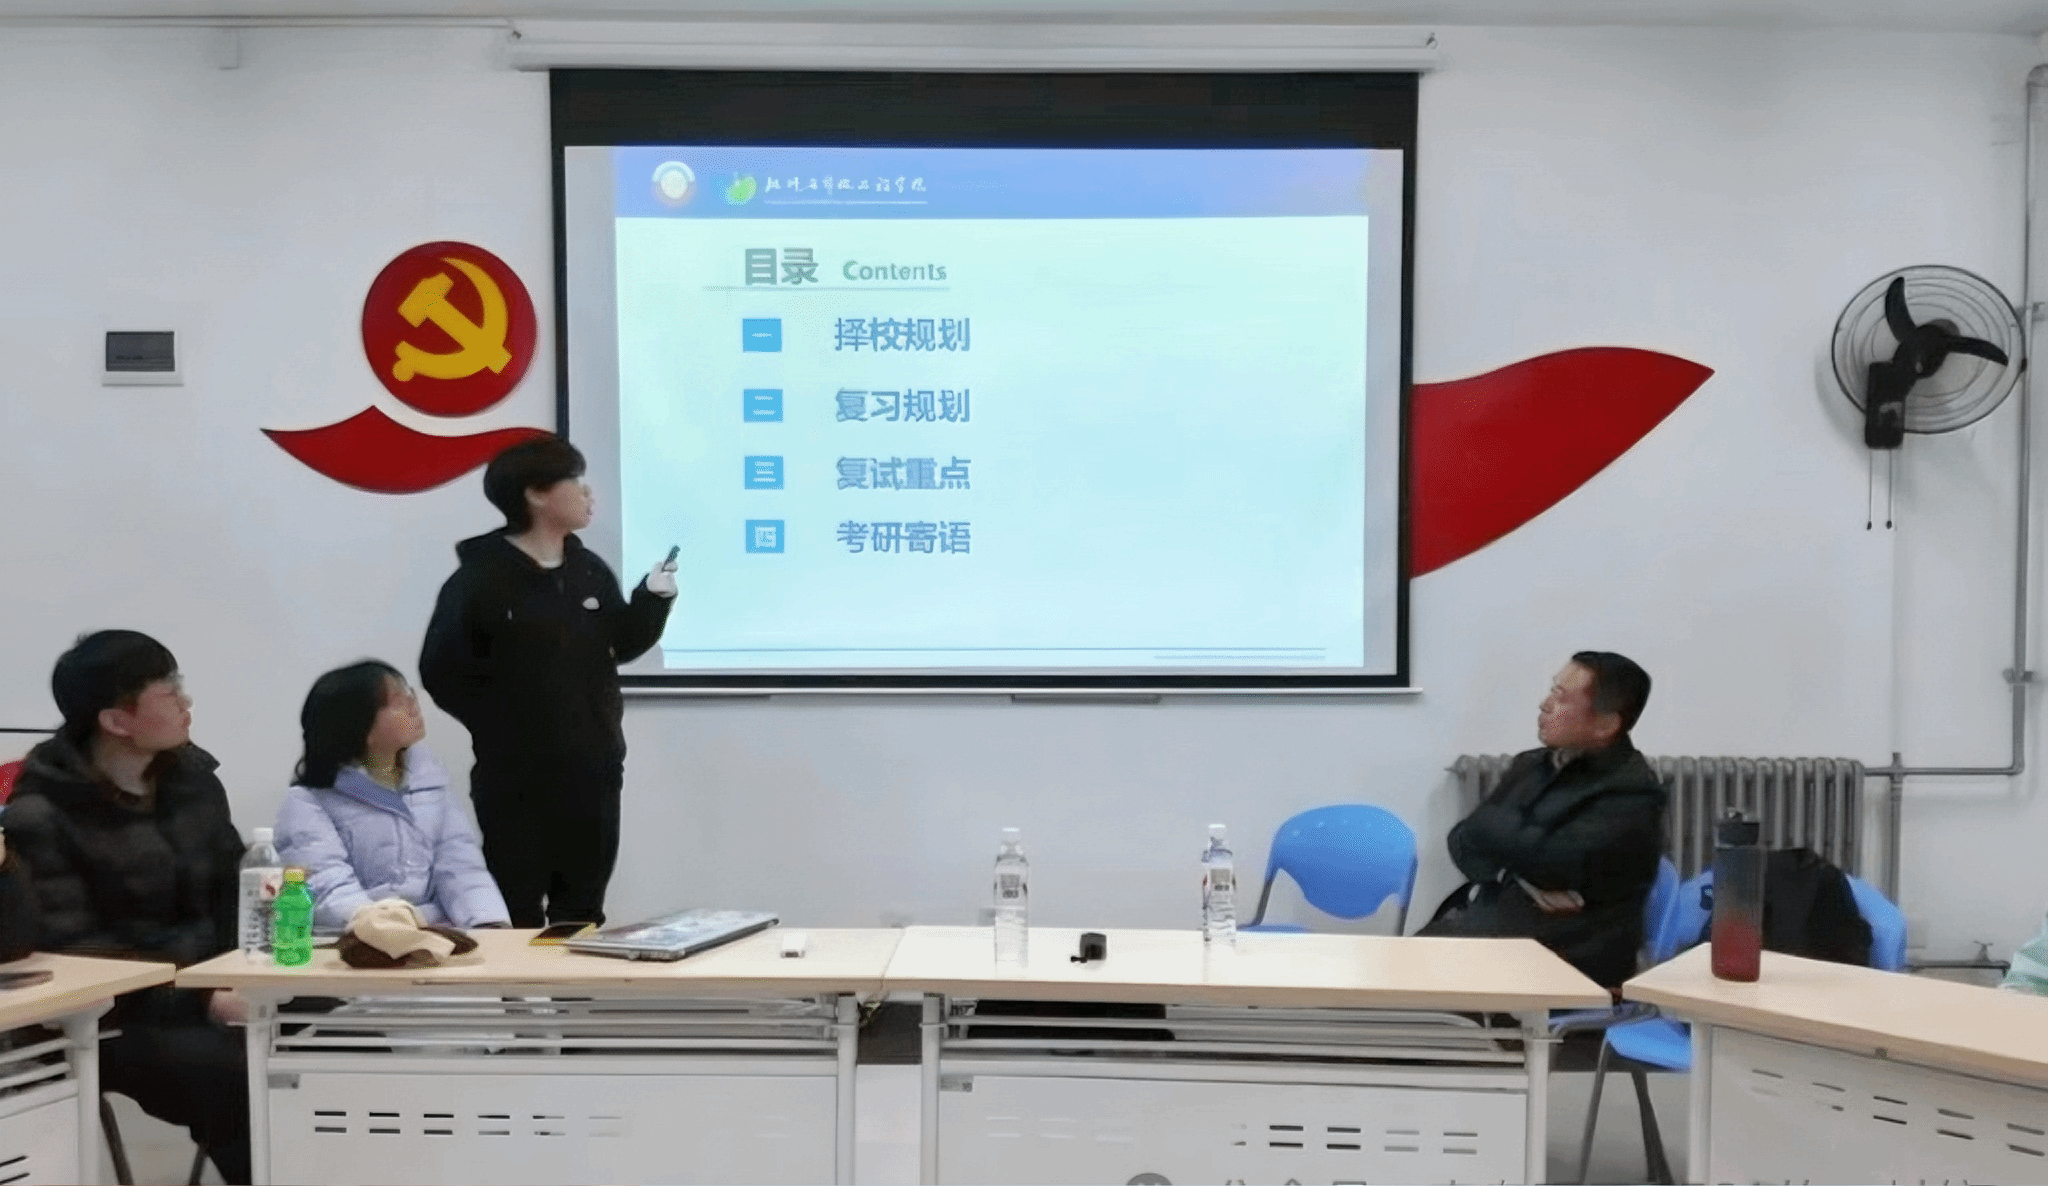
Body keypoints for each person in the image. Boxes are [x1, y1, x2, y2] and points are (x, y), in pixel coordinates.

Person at [4, 630, 251, 1183]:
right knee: (245, 1079)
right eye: (170, 692)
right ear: (117, 720)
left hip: (212, 989)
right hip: (116, 1020)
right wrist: (204, 996)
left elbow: (234, 889)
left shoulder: (194, 783)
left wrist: (251, 974)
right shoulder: (41, 814)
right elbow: (76, 953)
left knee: (340, 1034)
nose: (186, 702)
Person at [420, 435, 676, 927]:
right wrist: (501, 725)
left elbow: (618, 644)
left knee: (580, 912)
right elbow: (442, 671)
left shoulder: (588, 570)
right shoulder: (480, 580)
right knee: (514, 908)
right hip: (514, 777)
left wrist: (652, 599)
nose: (588, 493)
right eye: (575, 481)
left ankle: (567, 980)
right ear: (536, 493)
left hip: (594, 770)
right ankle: (521, 982)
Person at [1419, 651, 1665, 988]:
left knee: (1412, 988)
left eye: (1561, 697)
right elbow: (1462, 842)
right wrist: (1517, 873)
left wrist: (1496, 834)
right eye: (1552, 690)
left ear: (1605, 724)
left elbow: (1553, 863)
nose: (1544, 704)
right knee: (1397, 973)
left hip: (1568, 957)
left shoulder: (1633, 793)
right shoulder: (1532, 765)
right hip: (1495, 930)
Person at [275, 660, 511, 933]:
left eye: (410, 693)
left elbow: (461, 868)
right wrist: (389, 929)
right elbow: (328, 887)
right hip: (352, 940)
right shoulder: (307, 802)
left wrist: (488, 924)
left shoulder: (431, 785)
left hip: (433, 935)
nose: (414, 704)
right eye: (399, 701)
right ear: (359, 726)